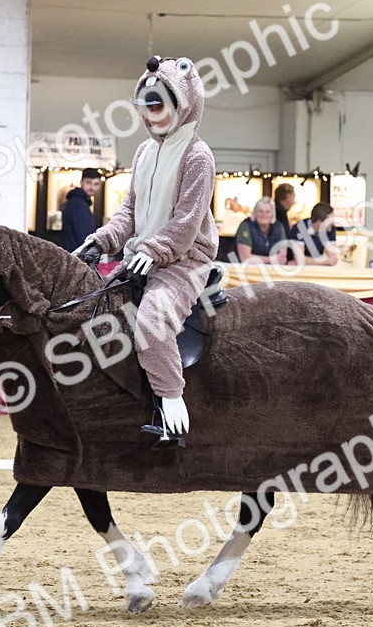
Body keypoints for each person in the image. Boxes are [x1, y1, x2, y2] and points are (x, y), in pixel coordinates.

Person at [73, 55, 218, 447]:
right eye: (146, 107)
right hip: (141, 255)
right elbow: (129, 212)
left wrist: (156, 250)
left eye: (159, 106)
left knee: (152, 321)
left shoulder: (198, 156)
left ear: (181, 104)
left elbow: (187, 223)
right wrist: (100, 241)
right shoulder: (143, 153)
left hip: (183, 259)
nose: (152, 115)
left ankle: (171, 406)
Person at [235, 197, 288, 265]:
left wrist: (255, 258)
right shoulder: (246, 226)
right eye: (260, 211)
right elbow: (245, 258)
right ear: (255, 213)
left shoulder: (279, 227)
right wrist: (271, 259)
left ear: (272, 214)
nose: (264, 215)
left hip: (271, 271)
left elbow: (282, 258)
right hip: (245, 270)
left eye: (267, 212)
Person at [60, 168, 103, 251]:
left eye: (96, 184)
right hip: (77, 256)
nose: (92, 187)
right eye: (88, 182)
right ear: (81, 182)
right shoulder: (78, 204)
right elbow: (85, 237)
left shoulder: (78, 201)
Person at [289, 202, 339, 266]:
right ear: (319, 221)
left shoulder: (330, 228)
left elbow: (332, 258)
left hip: (316, 269)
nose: (332, 224)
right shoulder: (300, 227)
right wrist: (325, 261)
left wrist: (307, 261)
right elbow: (300, 260)